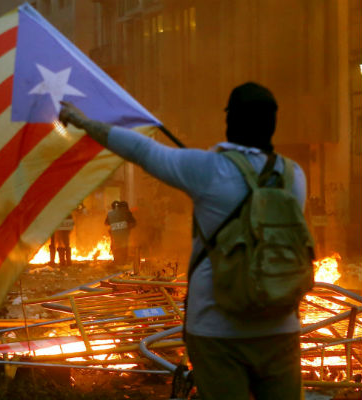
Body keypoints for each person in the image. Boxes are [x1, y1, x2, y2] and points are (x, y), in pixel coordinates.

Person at [59, 82, 306, 400]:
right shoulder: (294, 176)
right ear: (273, 124)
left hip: (217, 331)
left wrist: (83, 121)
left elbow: (142, 151)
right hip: (281, 327)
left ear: (230, 122)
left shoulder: (208, 169)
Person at [104, 200, 136, 265]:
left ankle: (117, 262)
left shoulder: (110, 213)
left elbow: (106, 223)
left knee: (115, 248)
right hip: (124, 235)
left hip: (114, 235)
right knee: (124, 248)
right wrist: (129, 228)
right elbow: (133, 223)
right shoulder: (127, 213)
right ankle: (123, 262)